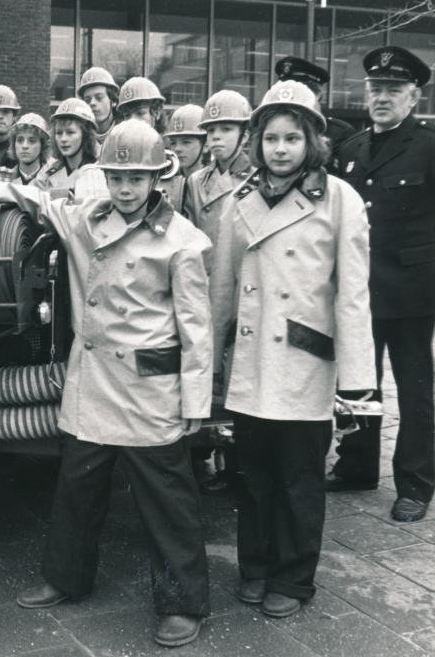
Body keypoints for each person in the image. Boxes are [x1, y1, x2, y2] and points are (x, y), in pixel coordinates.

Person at [0, 119, 213, 648]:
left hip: (148, 393)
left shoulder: (183, 242)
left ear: (156, 180)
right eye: (117, 177)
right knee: (76, 491)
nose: (125, 189)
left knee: (167, 506)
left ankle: (182, 603)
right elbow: (35, 200)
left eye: (136, 179)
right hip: (94, 385)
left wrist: (196, 401)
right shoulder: (84, 219)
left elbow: (197, 329)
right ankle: (66, 579)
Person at [209, 80, 374, 617]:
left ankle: (293, 577)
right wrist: (210, 362)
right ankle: (255, 566)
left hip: (304, 362)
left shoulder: (340, 199)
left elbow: (352, 292)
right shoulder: (240, 202)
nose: (281, 149)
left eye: (293, 139)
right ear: (257, 143)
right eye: (272, 138)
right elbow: (222, 291)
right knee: (252, 477)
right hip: (254, 365)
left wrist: (356, 380)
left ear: (312, 143)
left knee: (300, 481)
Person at [325, 46, 435, 523]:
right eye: (375, 89)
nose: (382, 97)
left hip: (413, 292)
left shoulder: (429, 147)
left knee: (415, 392)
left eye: (393, 90)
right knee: (357, 384)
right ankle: (356, 467)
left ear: (413, 96)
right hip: (359, 292)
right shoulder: (350, 150)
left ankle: (415, 484)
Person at [182, 90, 253, 251]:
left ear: (244, 137)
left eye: (226, 129)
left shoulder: (256, 179)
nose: (216, 136)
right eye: (211, 130)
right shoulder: (196, 181)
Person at [275, 56, 355, 163]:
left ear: (316, 94)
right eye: (285, 92)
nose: (289, 97)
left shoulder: (339, 133)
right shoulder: (270, 128)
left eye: (297, 92)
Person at [35, 98, 107, 200]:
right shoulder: (48, 170)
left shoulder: (100, 169)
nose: (63, 139)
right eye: (59, 133)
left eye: (70, 132)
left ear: (86, 135)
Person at [162, 104, 207, 212]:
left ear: (206, 145)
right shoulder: (166, 180)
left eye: (186, 142)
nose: (177, 149)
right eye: (173, 142)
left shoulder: (213, 182)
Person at [77, 66, 120, 147]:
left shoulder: (124, 132)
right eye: (87, 100)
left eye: (99, 97)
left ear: (113, 101)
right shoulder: (78, 137)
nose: (92, 103)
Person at [8, 113, 50, 184]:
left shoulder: (52, 178)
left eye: (32, 141)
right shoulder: (6, 178)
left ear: (43, 145)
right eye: (20, 140)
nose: (24, 146)